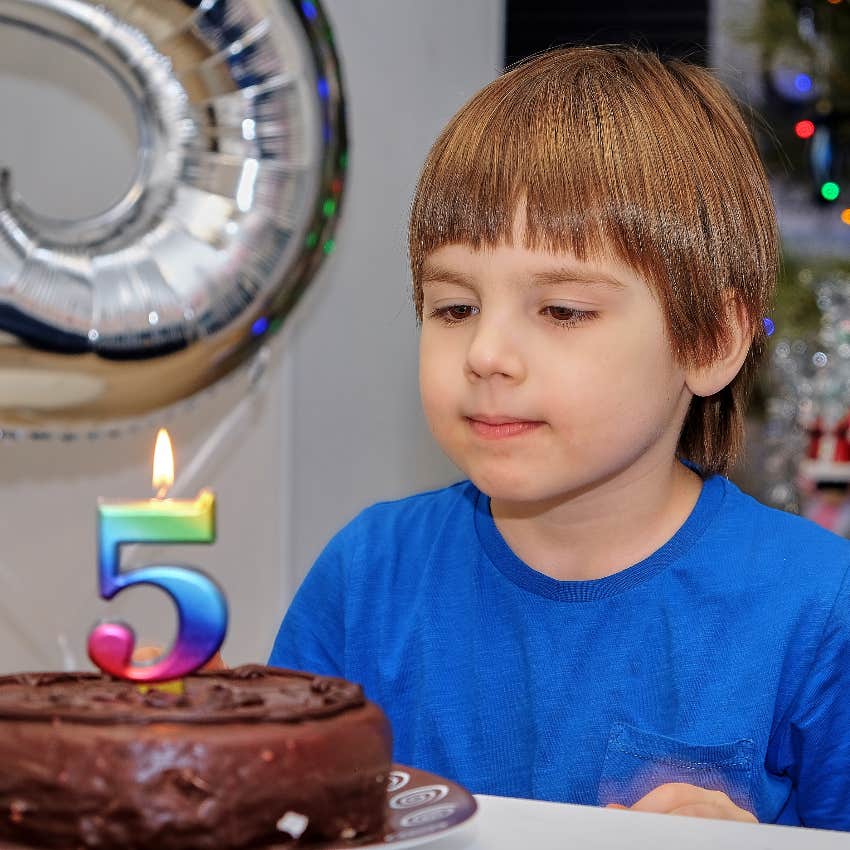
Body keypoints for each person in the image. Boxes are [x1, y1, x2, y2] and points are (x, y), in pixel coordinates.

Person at [269, 45, 850, 829]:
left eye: (562, 311)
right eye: (453, 308)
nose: (485, 355)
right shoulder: (365, 580)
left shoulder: (819, 610)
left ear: (711, 340)